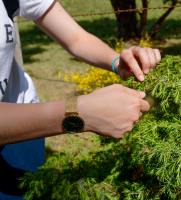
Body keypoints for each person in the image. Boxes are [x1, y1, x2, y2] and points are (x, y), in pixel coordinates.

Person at [0, 0, 161, 199]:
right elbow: (77, 112)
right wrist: (76, 112)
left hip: (24, 128)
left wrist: (119, 63)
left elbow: (76, 38)